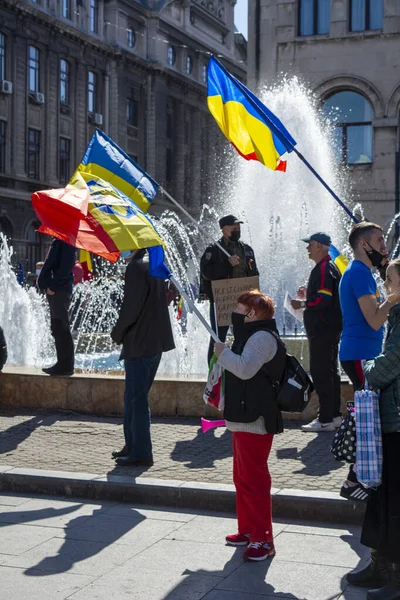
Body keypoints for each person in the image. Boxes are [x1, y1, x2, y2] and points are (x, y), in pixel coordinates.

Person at [214, 289, 286, 562]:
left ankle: (263, 538)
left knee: (254, 480)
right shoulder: (251, 335)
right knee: (242, 479)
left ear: (252, 313)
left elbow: (245, 369)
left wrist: (222, 353)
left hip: (256, 418)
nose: (235, 312)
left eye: (239, 308)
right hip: (244, 417)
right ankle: (247, 530)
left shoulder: (262, 337)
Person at [346, 259, 400, 598]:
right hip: (392, 417)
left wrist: (369, 367)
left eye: (390, 280)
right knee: (384, 496)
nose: (385, 287)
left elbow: (391, 362)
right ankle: (380, 566)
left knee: (393, 498)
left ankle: (394, 579)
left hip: (398, 417)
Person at [338, 222, 396, 502]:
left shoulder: (363, 272)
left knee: (369, 417)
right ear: (364, 244)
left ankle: (359, 478)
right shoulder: (359, 274)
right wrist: (394, 299)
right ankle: (354, 482)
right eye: (379, 239)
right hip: (360, 352)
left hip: (361, 351)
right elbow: (374, 320)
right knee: (368, 419)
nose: (384, 246)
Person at [111, 249, 175, 467]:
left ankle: (141, 452)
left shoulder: (136, 267)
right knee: (133, 398)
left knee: (136, 400)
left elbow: (131, 308)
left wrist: (117, 333)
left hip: (140, 342)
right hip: (154, 342)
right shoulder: (154, 263)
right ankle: (132, 445)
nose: (120, 249)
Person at [291, 232, 343, 432]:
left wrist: (302, 302)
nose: (307, 249)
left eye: (310, 245)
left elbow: (324, 301)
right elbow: (323, 296)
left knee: (321, 374)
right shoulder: (326, 267)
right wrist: (309, 295)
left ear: (320, 246)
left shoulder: (323, 269)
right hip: (328, 328)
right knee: (331, 372)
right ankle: (335, 416)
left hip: (322, 330)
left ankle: (325, 419)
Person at [200, 214, 259, 364]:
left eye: (239, 228)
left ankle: (238, 367)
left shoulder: (246, 249)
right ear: (224, 230)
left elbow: (254, 272)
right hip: (222, 302)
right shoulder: (214, 250)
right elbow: (206, 273)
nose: (237, 230)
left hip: (244, 302)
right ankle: (213, 373)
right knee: (218, 337)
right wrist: (227, 264)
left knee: (244, 335)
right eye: (234, 228)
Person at [38, 239, 76, 376]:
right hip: (57, 290)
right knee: (57, 326)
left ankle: (65, 365)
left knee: (60, 326)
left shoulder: (66, 240)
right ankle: (63, 363)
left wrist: (53, 286)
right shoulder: (61, 240)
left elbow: (66, 266)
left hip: (59, 290)